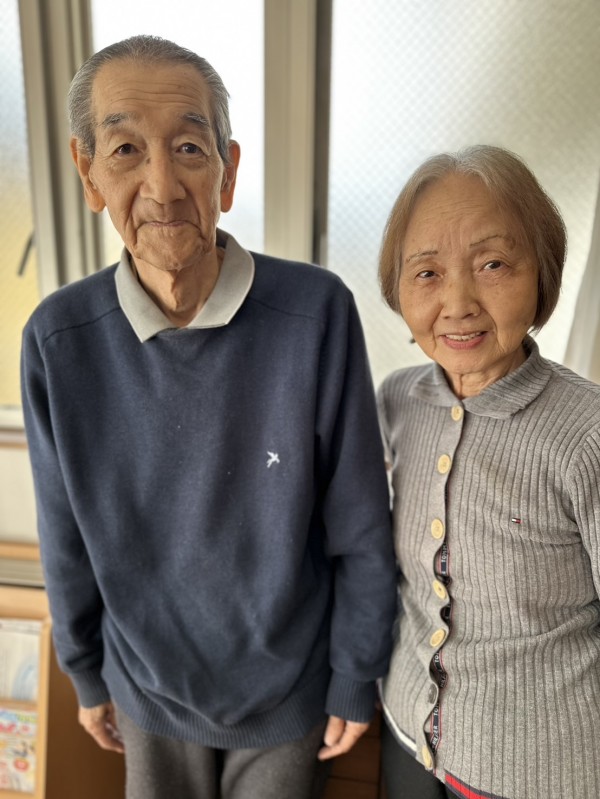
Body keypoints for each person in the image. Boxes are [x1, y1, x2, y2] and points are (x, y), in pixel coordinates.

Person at [20, 35, 397, 799]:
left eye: (190, 148)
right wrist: (85, 671)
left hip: (290, 690)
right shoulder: (59, 340)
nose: (162, 187)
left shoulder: (316, 313)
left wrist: (356, 673)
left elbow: (360, 520)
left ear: (228, 171)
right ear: (88, 173)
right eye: (126, 150)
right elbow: (63, 533)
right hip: (144, 688)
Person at [376, 144, 600, 799]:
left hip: (539, 771)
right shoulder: (396, 401)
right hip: (407, 738)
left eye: (493, 264)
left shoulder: (586, 431)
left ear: (541, 272)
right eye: (426, 272)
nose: (458, 302)